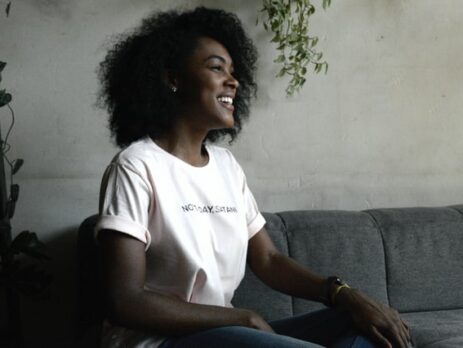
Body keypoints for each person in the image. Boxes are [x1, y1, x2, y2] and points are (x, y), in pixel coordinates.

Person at [95, 6, 412, 348]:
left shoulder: (225, 165)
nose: (233, 80)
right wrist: (242, 317)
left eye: (233, 70)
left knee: (365, 328)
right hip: (159, 341)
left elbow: (269, 260)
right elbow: (125, 301)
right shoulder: (136, 167)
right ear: (173, 79)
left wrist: (341, 293)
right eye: (216, 68)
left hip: (225, 333)